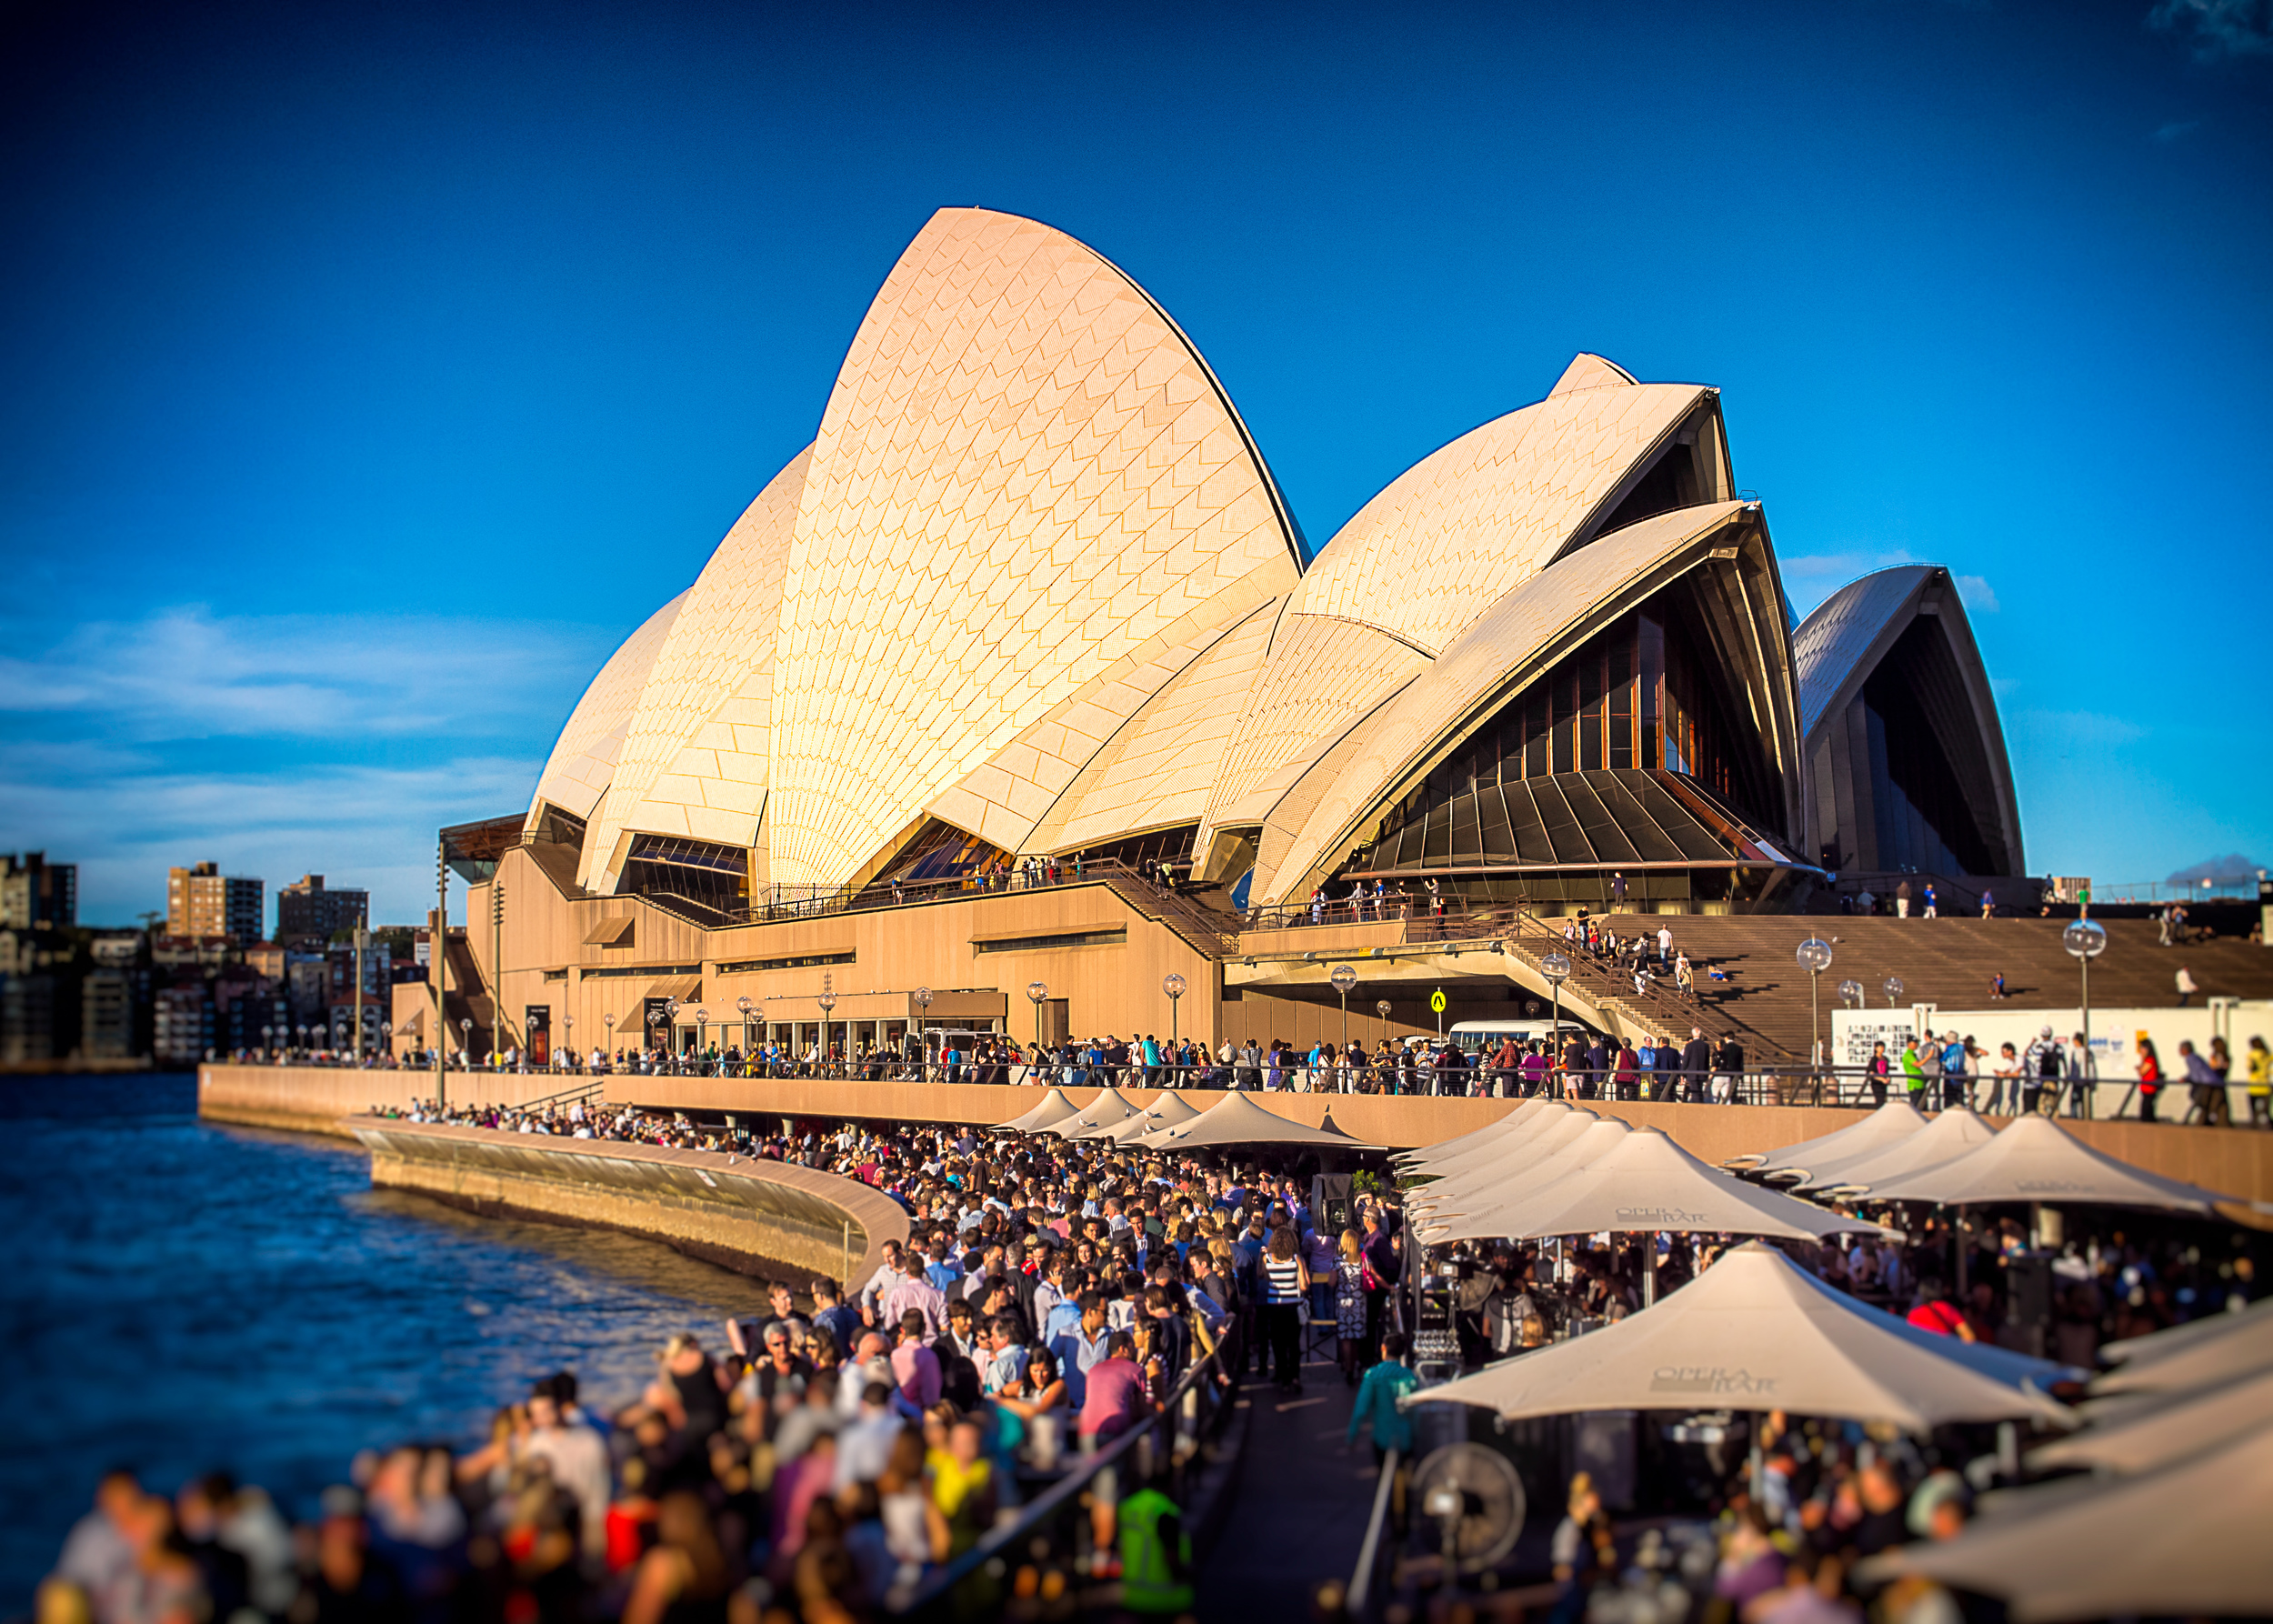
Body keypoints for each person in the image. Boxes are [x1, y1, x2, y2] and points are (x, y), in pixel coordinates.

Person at [1345, 1330, 1417, 1466]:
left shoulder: (1373, 1375)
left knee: (1384, 1479)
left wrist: (1352, 1436)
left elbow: (1361, 1409)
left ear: (1383, 1348)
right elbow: (1415, 1411)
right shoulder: (1409, 1375)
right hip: (1405, 1438)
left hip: (1383, 1437)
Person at [1257, 1225, 1310, 1393]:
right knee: (1293, 1343)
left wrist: (1262, 1257)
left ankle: (1282, 1375)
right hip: (1293, 1305)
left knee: (1278, 1342)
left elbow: (1261, 1275)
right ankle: (1294, 1375)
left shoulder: (1268, 1258)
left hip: (1274, 1305)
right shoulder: (1296, 1259)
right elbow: (1304, 1285)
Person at [1332, 1228, 1369, 1384]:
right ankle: (1355, 1366)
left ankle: (1348, 1370)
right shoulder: (1363, 1259)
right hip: (1359, 1300)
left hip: (1343, 1301)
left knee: (1346, 1338)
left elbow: (1331, 1282)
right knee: (1356, 1337)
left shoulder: (1338, 1261)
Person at [2136, 1037, 2163, 1123]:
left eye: (2142, 1048)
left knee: (2146, 1109)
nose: (2141, 1050)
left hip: (2149, 1088)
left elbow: (2142, 1072)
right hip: (2146, 1088)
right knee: (2147, 1107)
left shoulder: (2150, 1059)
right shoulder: (2148, 1060)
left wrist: (2142, 1058)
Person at [2249, 1036, 2272, 1129]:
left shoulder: (2252, 1055)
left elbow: (2249, 1067)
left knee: (2254, 1110)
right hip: (2265, 1085)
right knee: (2265, 1110)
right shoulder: (2268, 1055)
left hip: (2254, 1085)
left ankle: (2254, 1127)